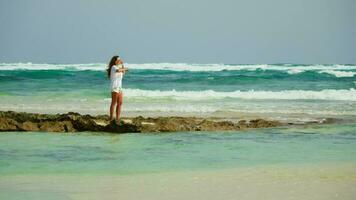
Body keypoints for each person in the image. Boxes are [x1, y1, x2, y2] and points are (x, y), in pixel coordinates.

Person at [107, 55, 129, 124]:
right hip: (114, 87)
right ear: (115, 61)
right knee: (114, 103)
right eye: (118, 60)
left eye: (120, 59)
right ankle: (111, 118)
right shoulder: (113, 67)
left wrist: (122, 64)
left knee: (120, 103)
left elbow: (123, 72)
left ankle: (117, 118)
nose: (120, 60)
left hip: (119, 87)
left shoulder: (119, 67)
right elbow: (118, 70)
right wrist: (124, 69)